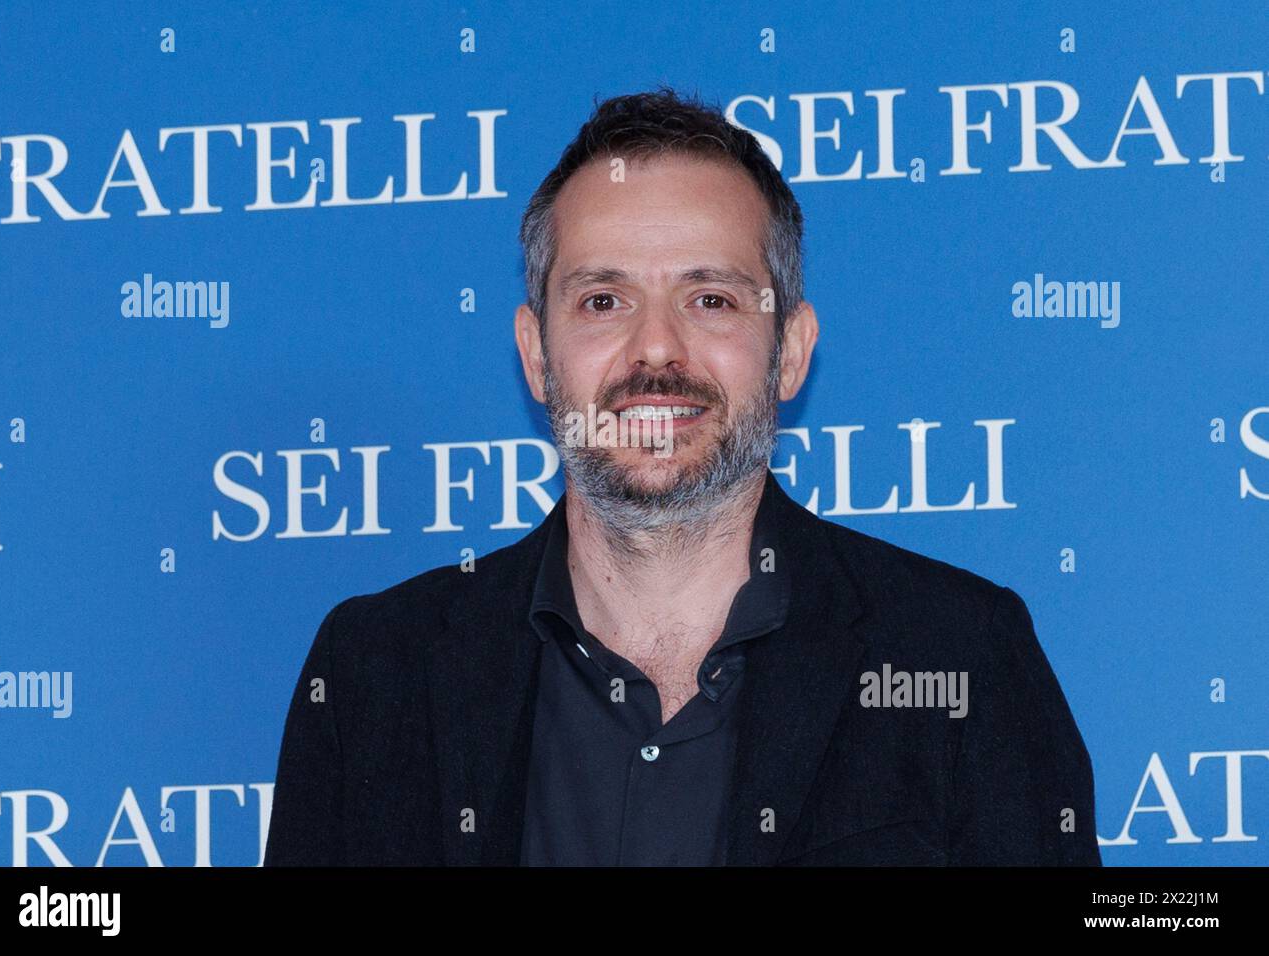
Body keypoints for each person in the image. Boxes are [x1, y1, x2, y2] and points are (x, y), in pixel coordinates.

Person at [264, 87, 1102, 866]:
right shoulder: (376, 675)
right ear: (534, 353)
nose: (656, 350)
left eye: (711, 300)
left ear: (792, 351)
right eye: (603, 300)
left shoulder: (958, 652)